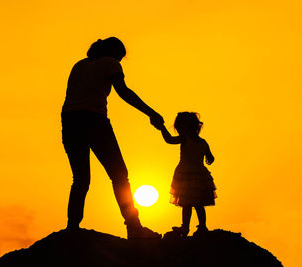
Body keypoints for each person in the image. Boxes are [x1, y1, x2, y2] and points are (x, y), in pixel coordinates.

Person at [61, 37, 163, 239]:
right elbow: (123, 92)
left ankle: (72, 227)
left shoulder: (79, 65)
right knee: (119, 176)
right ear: (115, 53)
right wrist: (151, 113)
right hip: (94, 120)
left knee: (80, 179)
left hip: (70, 121)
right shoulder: (110, 63)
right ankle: (134, 227)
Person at [157, 112, 216, 237]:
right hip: (200, 175)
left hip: (185, 175)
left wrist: (162, 128)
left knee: (186, 203)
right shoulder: (203, 142)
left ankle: (186, 227)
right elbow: (210, 157)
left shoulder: (185, 138)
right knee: (198, 204)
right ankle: (202, 227)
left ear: (186, 127)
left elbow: (169, 140)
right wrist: (209, 158)